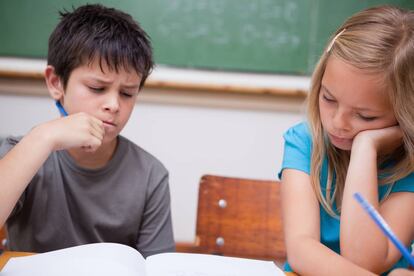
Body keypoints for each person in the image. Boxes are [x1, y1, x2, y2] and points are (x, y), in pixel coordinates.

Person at [0, 4, 175, 257]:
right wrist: (43, 136)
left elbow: (160, 268)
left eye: (127, 93)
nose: (113, 105)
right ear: (55, 82)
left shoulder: (150, 176)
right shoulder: (23, 152)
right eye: (97, 88)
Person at [279, 5, 414, 275]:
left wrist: (365, 149)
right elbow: (302, 251)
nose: (338, 123)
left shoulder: (409, 165)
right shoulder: (304, 141)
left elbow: (365, 259)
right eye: (328, 98)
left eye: (365, 116)